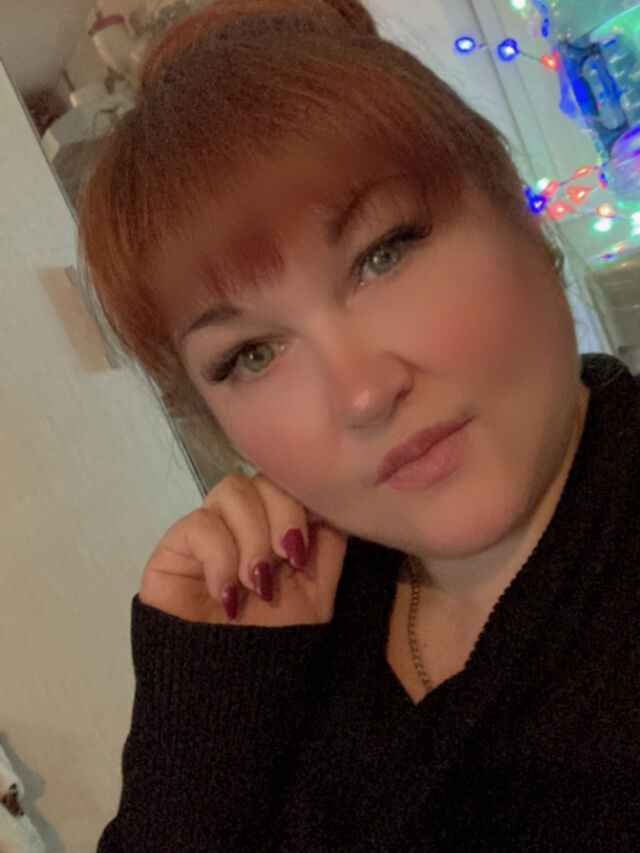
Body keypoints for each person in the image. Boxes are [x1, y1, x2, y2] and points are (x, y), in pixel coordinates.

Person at [78, 0, 640, 850]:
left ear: (515, 208)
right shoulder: (274, 643)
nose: (363, 394)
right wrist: (199, 734)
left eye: (384, 253)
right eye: (252, 354)